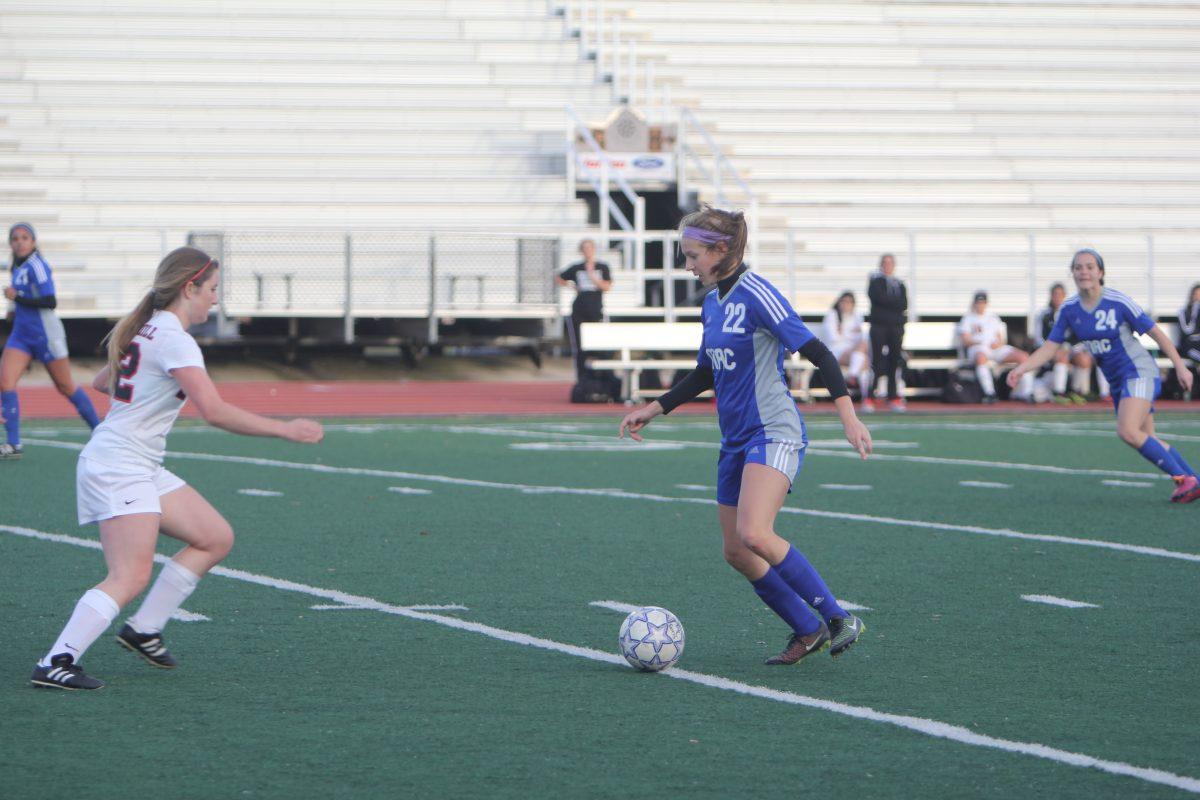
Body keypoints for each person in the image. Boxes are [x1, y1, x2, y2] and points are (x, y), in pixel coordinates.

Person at [30, 247, 324, 690]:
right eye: (212, 290)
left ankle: (144, 629)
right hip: (119, 465)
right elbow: (214, 411)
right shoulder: (172, 337)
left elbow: (101, 381)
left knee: (214, 537)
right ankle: (56, 660)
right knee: (129, 575)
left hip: (134, 461)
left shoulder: (149, 329)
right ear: (189, 288)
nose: (215, 299)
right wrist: (284, 430)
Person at [618, 206, 872, 666]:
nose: (688, 264)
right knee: (736, 550)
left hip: (773, 430)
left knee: (755, 532)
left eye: (693, 255)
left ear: (721, 250)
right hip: (734, 438)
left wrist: (848, 417)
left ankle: (838, 617)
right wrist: (654, 409)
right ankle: (806, 627)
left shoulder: (758, 293)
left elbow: (819, 353)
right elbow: (703, 373)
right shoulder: (712, 302)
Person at [1008, 249, 1198, 504]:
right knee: (1147, 438)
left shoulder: (1117, 301)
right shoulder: (1069, 309)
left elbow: (1156, 333)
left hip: (1139, 371)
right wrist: (1021, 368)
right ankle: (1192, 478)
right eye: (1078, 267)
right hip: (1118, 381)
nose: (1083, 271)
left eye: (1089, 266)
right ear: (1072, 273)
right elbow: (1050, 348)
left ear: (1100, 272)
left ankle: (1182, 478)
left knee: (1128, 430)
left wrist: (1180, 366)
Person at [2, 222, 100, 459]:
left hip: (45, 334)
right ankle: (13, 444)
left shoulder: (38, 265)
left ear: (33, 242)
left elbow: (50, 301)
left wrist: (19, 297)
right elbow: (24, 299)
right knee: (5, 382)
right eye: (15, 238)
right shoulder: (16, 266)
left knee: (65, 386)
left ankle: (101, 432)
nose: (20, 242)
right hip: (22, 334)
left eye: (25, 237)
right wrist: (14, 309)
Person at [957, 290, 1033, 403]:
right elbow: (965, 339)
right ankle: (990, 393)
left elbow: (1000, 338)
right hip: (978, 348)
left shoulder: (993, 317)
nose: (980, 305)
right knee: (981, 358)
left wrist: (998, 344)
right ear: (974, 303)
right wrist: (979, 343)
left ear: (986, 303)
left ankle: (1027, 393)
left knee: (1024, 357)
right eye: (978, 302)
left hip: (996, 349)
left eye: (983, 302)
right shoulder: (968, 318)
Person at [1033, 282, 1101, 403]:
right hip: (1051, 352)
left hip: (1069, 350)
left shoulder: (1073, 313)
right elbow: (1039, 338)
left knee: (1084, 360)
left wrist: (1070, 348)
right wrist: (1052, 349)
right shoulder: (1044, 315)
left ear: (1064, 296)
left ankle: (1077, 392)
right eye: (1055, 294)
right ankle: (1059, 392)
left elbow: (1080, 337)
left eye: (1060, 294)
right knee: (1062, 357)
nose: (1057, 297)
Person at [555, 238, 612, 382]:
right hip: (579, 309)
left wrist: (592, 277)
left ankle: (600, 378)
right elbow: (558, 278)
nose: (587, 251)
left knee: (598, 345)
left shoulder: (603, 266)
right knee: (580, 347)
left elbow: (607, 286)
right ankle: (582, 379)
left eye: (590, 248)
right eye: (584, 249)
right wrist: (571, 286)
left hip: (596, 310)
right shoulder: (576, 267)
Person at [865, 253, 907, 413]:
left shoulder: (899, 284)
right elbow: (877, 299)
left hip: (895, 327)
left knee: (894, 361)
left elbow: (903, 303)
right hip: (879, 326)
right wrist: (891, 304)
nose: (888, 266)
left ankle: (893, 396)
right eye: (885, 263)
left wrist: (889, 304)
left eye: (890, 263)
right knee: (876, 361)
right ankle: (870, 396)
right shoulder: (875, 282)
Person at [820, 291, 871, 395]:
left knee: (864, 356)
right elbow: (833, 338)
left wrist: (844, 332)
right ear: (839, 302)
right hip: (835, 350)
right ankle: (866, 396)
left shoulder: (856, 316)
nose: (846, 304)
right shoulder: (832, 315)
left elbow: (861, 337)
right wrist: (851, 333)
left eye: (850, 302)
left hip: (852, 351)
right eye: (844, 301)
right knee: (864, 359)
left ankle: (852, 376)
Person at [1178, 283, 1200, 398]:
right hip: (1189, 346)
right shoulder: (1184, 312)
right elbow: (1188, 330)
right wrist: (1195, 310)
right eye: (1196, 294)